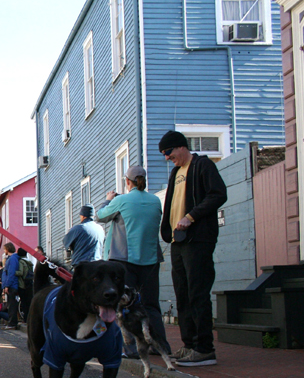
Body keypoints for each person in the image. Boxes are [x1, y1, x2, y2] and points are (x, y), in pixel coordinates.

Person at [159, 130, 227, 366]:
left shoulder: (202, 166)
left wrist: (191, 216)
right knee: (183, 294)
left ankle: (205, 348)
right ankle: (189, 345)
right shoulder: (176, 173)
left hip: (198, 240)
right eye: (163, 154)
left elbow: (218, 194)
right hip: (179, 241)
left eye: (168, 152)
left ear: (180, 147)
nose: (167, 158)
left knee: (198, 292)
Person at [96, 165, 171, 358]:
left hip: (125, 260)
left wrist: (109, 199)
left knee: (124, 305)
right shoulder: (155, 201)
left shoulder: (121, 200)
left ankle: (131, 349)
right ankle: (160, 346)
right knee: (151, 305)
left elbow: (100, 216)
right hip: (151, 260)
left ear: (127, 182)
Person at [0, 243, 21, 330]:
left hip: (12, 286)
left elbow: (11, 273)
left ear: (7, 249)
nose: (4, 251)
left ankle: (12, 323)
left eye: (5, 249)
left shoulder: (12, 259)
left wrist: (7, 285)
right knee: (10, 305)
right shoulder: (12, 258)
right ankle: (11, 322)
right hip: (11, 285)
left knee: (12, 305)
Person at [15, 247, 34, 323]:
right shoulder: (29, 262)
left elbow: (21, 272)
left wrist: (13, 272)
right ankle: (29, 318)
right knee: (29, 301)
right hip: (29, 283)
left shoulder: (21, 262)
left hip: (22, 284)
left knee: (23, 302)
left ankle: (25, 319)